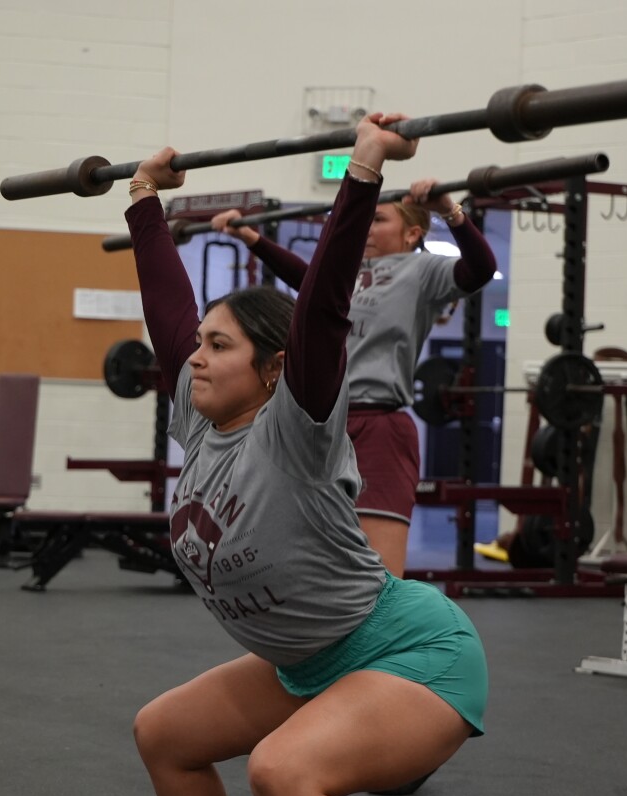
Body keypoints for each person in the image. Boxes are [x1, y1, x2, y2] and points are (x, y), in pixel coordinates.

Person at [125, 114, 488, 796]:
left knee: (280, 770)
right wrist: (142, 202)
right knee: (162, 732)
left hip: (409, 653)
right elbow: (168, 319)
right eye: (200, 344)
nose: (195, 357)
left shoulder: (296, 429)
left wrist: (363, 170)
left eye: (218, 345)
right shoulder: (197, 425)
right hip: (307, 662)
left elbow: (322, 311)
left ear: (272, 369)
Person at [210, 176, 498, 579]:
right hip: (325, 425)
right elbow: (307, 281)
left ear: (412, 232)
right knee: (309, 556)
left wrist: (449, 210)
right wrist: (252, 239)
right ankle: (314, 641)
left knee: (379, 569)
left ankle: (387, 641)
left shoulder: (422, 269)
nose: (366, 229)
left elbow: (482, 268)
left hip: (379, 423)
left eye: (377, 220)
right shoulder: (348, 272)